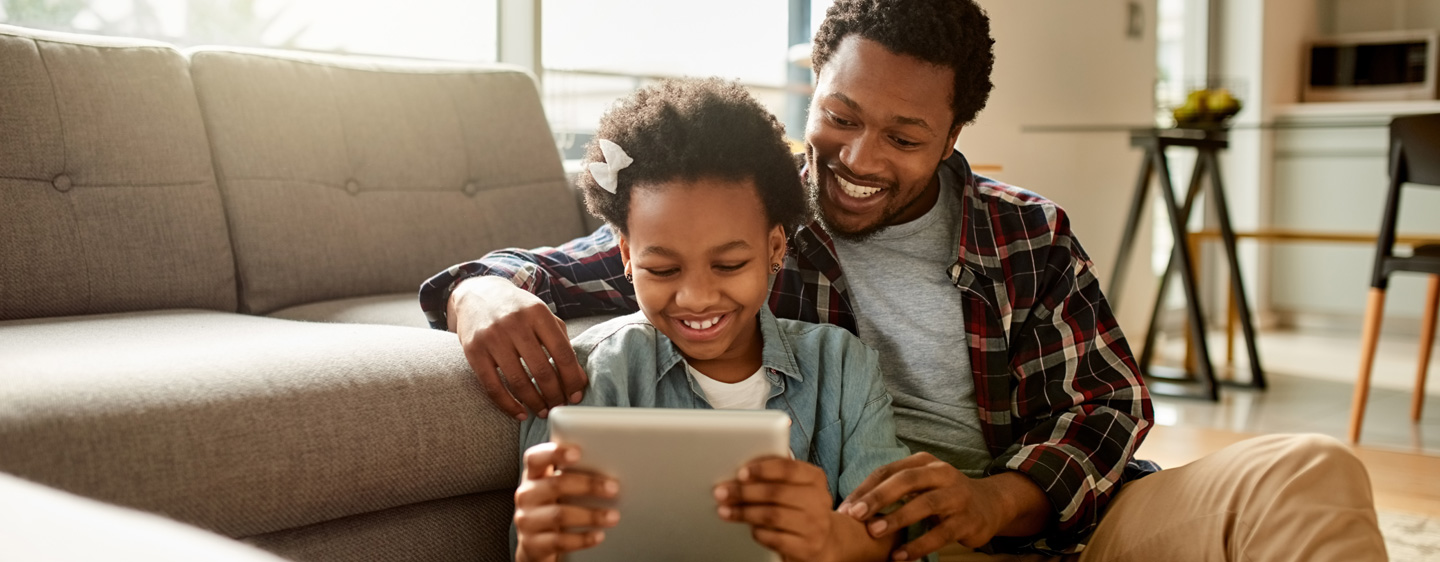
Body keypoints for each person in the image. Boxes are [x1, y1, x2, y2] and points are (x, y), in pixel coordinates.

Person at [423, 1, 1387, 560]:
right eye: (841, 115)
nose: (857, 156)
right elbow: (607, 263)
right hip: (875, 542)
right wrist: (479, 292)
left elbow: (1104, 405)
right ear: (814, 83)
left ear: (956, 133)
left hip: (1054, 523)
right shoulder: (751, 225)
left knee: (1311, 471)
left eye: (905, 136)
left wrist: (1000, 501)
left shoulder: (1026, 232)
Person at [510, 78, 915, 562]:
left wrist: (830, 536)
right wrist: (536, 549)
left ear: (775, 248)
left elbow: (888, 529)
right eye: (662, 269)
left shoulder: (843, 366)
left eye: (728, 265)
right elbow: (547, 543)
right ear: (626, 256)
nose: (697, 298)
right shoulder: (592, 376)